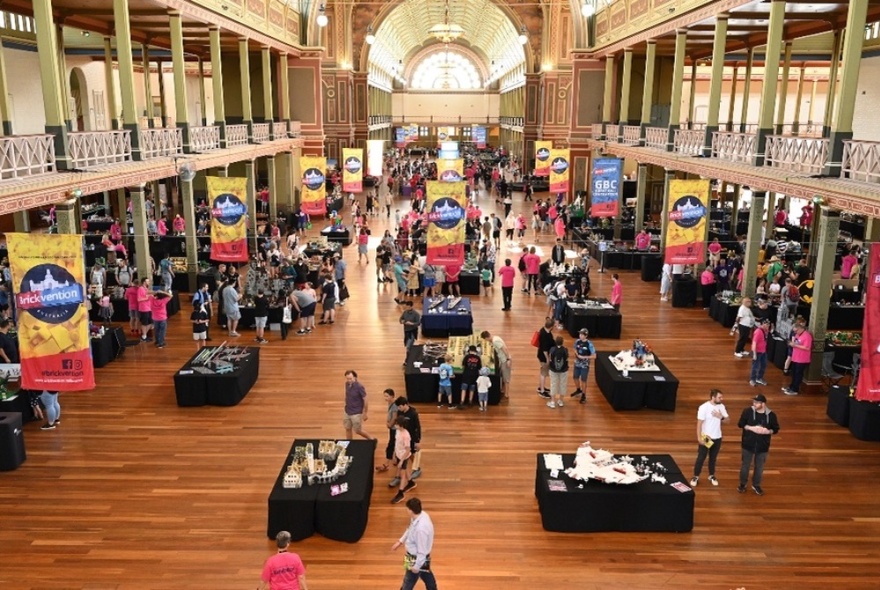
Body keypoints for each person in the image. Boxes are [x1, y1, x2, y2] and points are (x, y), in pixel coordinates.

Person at [737, 394, 780, 496]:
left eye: (756, 402)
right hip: (748, 444)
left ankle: (756, 485)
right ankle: (743, 484)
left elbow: (776, 429)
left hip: (763, 446)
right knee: (745, 466)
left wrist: (767, 431)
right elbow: (740, 424)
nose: (754, 404)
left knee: (759, 467)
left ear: (763, 404)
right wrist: (751, 428)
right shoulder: (747, 411)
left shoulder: (771, 415)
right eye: (754, 402)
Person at [391, 497, 438, 590]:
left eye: (407, 509)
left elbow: (422, 551)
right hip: (419, 557)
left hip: (415, 558)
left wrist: (416, 566)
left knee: (408, 581)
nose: (406, 510)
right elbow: (410, 529)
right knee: (426, 575)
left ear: (411, 510)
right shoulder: (421, 515)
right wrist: (400, 541)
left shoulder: (421, 529)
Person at [690, 389, 729, 487]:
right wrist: (699, 438)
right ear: (713, 397)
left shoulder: (721, 406)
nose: (721, 399)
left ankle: (711, 475)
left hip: (718, 437)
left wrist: (721, 417)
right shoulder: (704, 407)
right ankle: (695, 476)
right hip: (707, 437)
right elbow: (699, 424)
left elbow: (728, 420)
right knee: (701, 458)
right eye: (719, 397)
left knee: (713, 458)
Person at [394, 397, 423, 482]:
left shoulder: (413, 414)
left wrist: (417, 441)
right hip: (402, 437)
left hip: (411, 437)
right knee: (404, 453)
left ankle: (416, 468)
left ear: (405, 405)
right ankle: (400, 473)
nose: (399, 409)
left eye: (400, 407)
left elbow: (418, 427)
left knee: (411, 454)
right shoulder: (400, 412)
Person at [390, 415, 414, 504]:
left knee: (402, 474)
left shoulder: (406, 435)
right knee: (406, 470)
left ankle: (401, 493)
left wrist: (401, 461)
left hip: (404, 456)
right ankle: (411, 482)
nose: (395, 425)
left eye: (397, 424)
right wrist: (394, 454)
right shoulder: (397, 431)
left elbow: (408, 450)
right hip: (398, 454)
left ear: (401, 425)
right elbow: (396, 444)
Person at [343, 370, 374, 440]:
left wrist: (365, 413)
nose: (349, 380)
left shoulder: (359, 387)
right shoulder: (346, 384)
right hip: (347, 410)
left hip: (356, 413)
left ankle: (371, 439)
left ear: (355, 377)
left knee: (358, 430)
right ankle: (350, 444)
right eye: (347, 379)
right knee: (347, 428)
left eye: (350, 378)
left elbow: (365, 399)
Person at [783, 323, 812, 395]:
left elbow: (807, 347)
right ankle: (791, 386)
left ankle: (795, 389)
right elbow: (796, 342)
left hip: (802, 359)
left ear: (800, 328)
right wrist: (791, 343)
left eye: (796, 331)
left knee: (798, 374)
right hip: (795, 357)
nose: (795, 332)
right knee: (794, 373)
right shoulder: (798, 334)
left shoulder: (807, 336)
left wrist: (795, 345)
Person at [481, 330, 512, 399]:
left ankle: (507, 394)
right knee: (502, 375)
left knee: (506, 378)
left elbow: (505, 349)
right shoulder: (495, 339)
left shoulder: (495, 341)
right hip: (502, 360)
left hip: (505, 360)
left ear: (486, 338)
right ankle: (503, 390)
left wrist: (508, 359)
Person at [570, 328, 595, 404]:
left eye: (582, 334)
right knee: (575, 377)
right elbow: (574, 348)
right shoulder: (577, 341)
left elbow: (594, 356)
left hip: (585, 365)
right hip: (577, 363)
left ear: (586, 336)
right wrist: (576, 353)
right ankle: (578, 390)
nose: (580, 335)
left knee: (583, 380)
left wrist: (584, 357)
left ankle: (584, 395)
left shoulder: (589, 344)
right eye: (580, 334)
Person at [377, 389, 399, 473]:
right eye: (384, 396)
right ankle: (396, 458)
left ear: (392, 396)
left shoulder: (394, 406)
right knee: (395, 443)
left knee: (391, 444)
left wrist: (390, 424)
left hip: (394, 428)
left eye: (387, 396)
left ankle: (387, 464)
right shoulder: (390, 404)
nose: (385, 398)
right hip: (393, 428)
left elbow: (394, 417)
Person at [547, 335, 569, 409]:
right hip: (564, 370)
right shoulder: (565, 350)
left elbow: (550, 358)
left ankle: (552, 402)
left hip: (553, 370)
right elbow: (566, 359)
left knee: (553, 384)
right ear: (562, 343)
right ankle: (561, 401)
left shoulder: (552, 349)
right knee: (563, 384)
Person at [535, 318, 555, 399]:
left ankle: (541, 387)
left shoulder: (543, 330)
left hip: (541, 355)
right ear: (551, 327)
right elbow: (544, 349)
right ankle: (542, 391)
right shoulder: (545, 335)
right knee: (544, 373)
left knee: (543, 372)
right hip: (543, 357)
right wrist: (547, 359)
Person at [459, 344, 482, 409]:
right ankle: (470, 401)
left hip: (466, 374)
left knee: (464, 388)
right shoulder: (478, 358)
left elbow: (463, 365)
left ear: (469, 351)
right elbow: (479, 368)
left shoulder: (466, 357)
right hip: (474, 375)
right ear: (475, 351)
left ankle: (462, 401)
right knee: (472, 389)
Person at [750, 319, 771, 386]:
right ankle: (752, 379)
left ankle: (759, 378)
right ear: (762, 324)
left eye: (769, 324)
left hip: (763, 351)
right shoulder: (758, 332)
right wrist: (754, 354)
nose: (768, 326)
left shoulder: (766, 330)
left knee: (763, 365)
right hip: (757, 352)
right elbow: (754, 343)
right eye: (766, 324)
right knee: (755, 366)